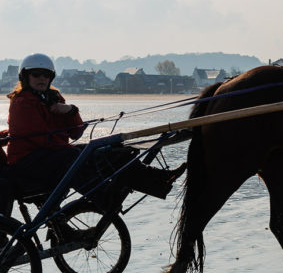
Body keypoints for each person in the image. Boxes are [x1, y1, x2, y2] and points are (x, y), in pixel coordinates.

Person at [0, 53, 186, 216]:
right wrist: (79, 152)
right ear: (25, 77)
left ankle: (159, 180)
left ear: (51, 77)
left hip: (50, 157)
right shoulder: (21, 103)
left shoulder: (53, 97)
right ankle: (105, 198)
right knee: (74, 156)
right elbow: (42, 140)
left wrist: (70, 111)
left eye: (46, 75)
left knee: (107, 150)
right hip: (27, 164)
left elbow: (76, 132)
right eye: (36, 75)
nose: (41, 78)